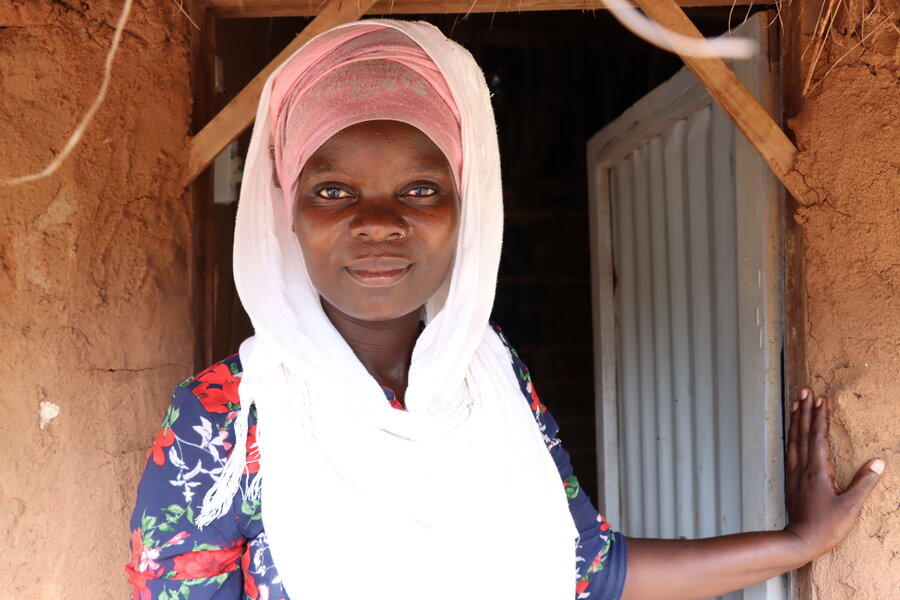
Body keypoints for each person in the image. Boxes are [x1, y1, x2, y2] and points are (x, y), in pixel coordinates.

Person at [126, 19, 884, 600]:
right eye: (333, 191)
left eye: (422, 189)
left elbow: (586, 569)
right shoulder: (224, 418)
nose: (380, 221)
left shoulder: (486, 377)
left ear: (470, 208)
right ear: (286, 211)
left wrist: (795, 545)